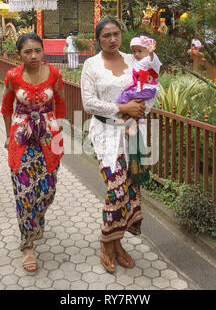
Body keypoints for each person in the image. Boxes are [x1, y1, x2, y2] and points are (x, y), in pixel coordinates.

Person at [81, 17, 156, 273]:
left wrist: (143, 107)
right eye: (106, 35)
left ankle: (118, 244)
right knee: (116, 189)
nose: (112, 40)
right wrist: (121, 107)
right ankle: (106, 242)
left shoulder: (134, 60)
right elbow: (88, 103)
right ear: (98, 39)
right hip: (105, 134)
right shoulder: (91, 65)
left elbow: (150, 87)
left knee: (131, 188)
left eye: (116, 34)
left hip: (132, 132)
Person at [1, 32, 65, 273]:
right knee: (25, 191)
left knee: (48, 190)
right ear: (19, 54)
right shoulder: (13, 76)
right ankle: (27, 245)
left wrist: (60, 131)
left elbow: (59, 102)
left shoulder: (54, 74)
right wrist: (8, 136)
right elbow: (6, 106)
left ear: (43, 51)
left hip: (49, 136)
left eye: (37, 50)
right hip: (22, 138)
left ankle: (36, 220)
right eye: (27, 52)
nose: (33, 55)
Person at [115, 33, 161, 136]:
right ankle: (132, 126)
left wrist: (151, 53)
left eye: (140, 51)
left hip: (147, 89)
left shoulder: (148, 60)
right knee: (137, 107)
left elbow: (155, 63)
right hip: (142, 89)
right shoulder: (137, 60)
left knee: (126, 95)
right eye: (134, 51)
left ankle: (118, 109)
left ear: (146, 49)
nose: (136, 54)